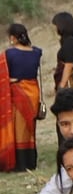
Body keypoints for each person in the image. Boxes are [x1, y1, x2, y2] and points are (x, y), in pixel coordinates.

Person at [2, 23, 41, 171]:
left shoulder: (9, 54)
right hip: (33, 93)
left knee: (17, 128)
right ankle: (30, 161)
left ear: (13, 37)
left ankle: (18, 163)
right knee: (29, 128)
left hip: (17, 93)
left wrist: (13, 80)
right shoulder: (37, 52)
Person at [51, 12, 73, 93]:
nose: (55, 28)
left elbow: (69, 65)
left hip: (70, 87)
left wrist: (62, 85)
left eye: (56, 25)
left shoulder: (69, 42)